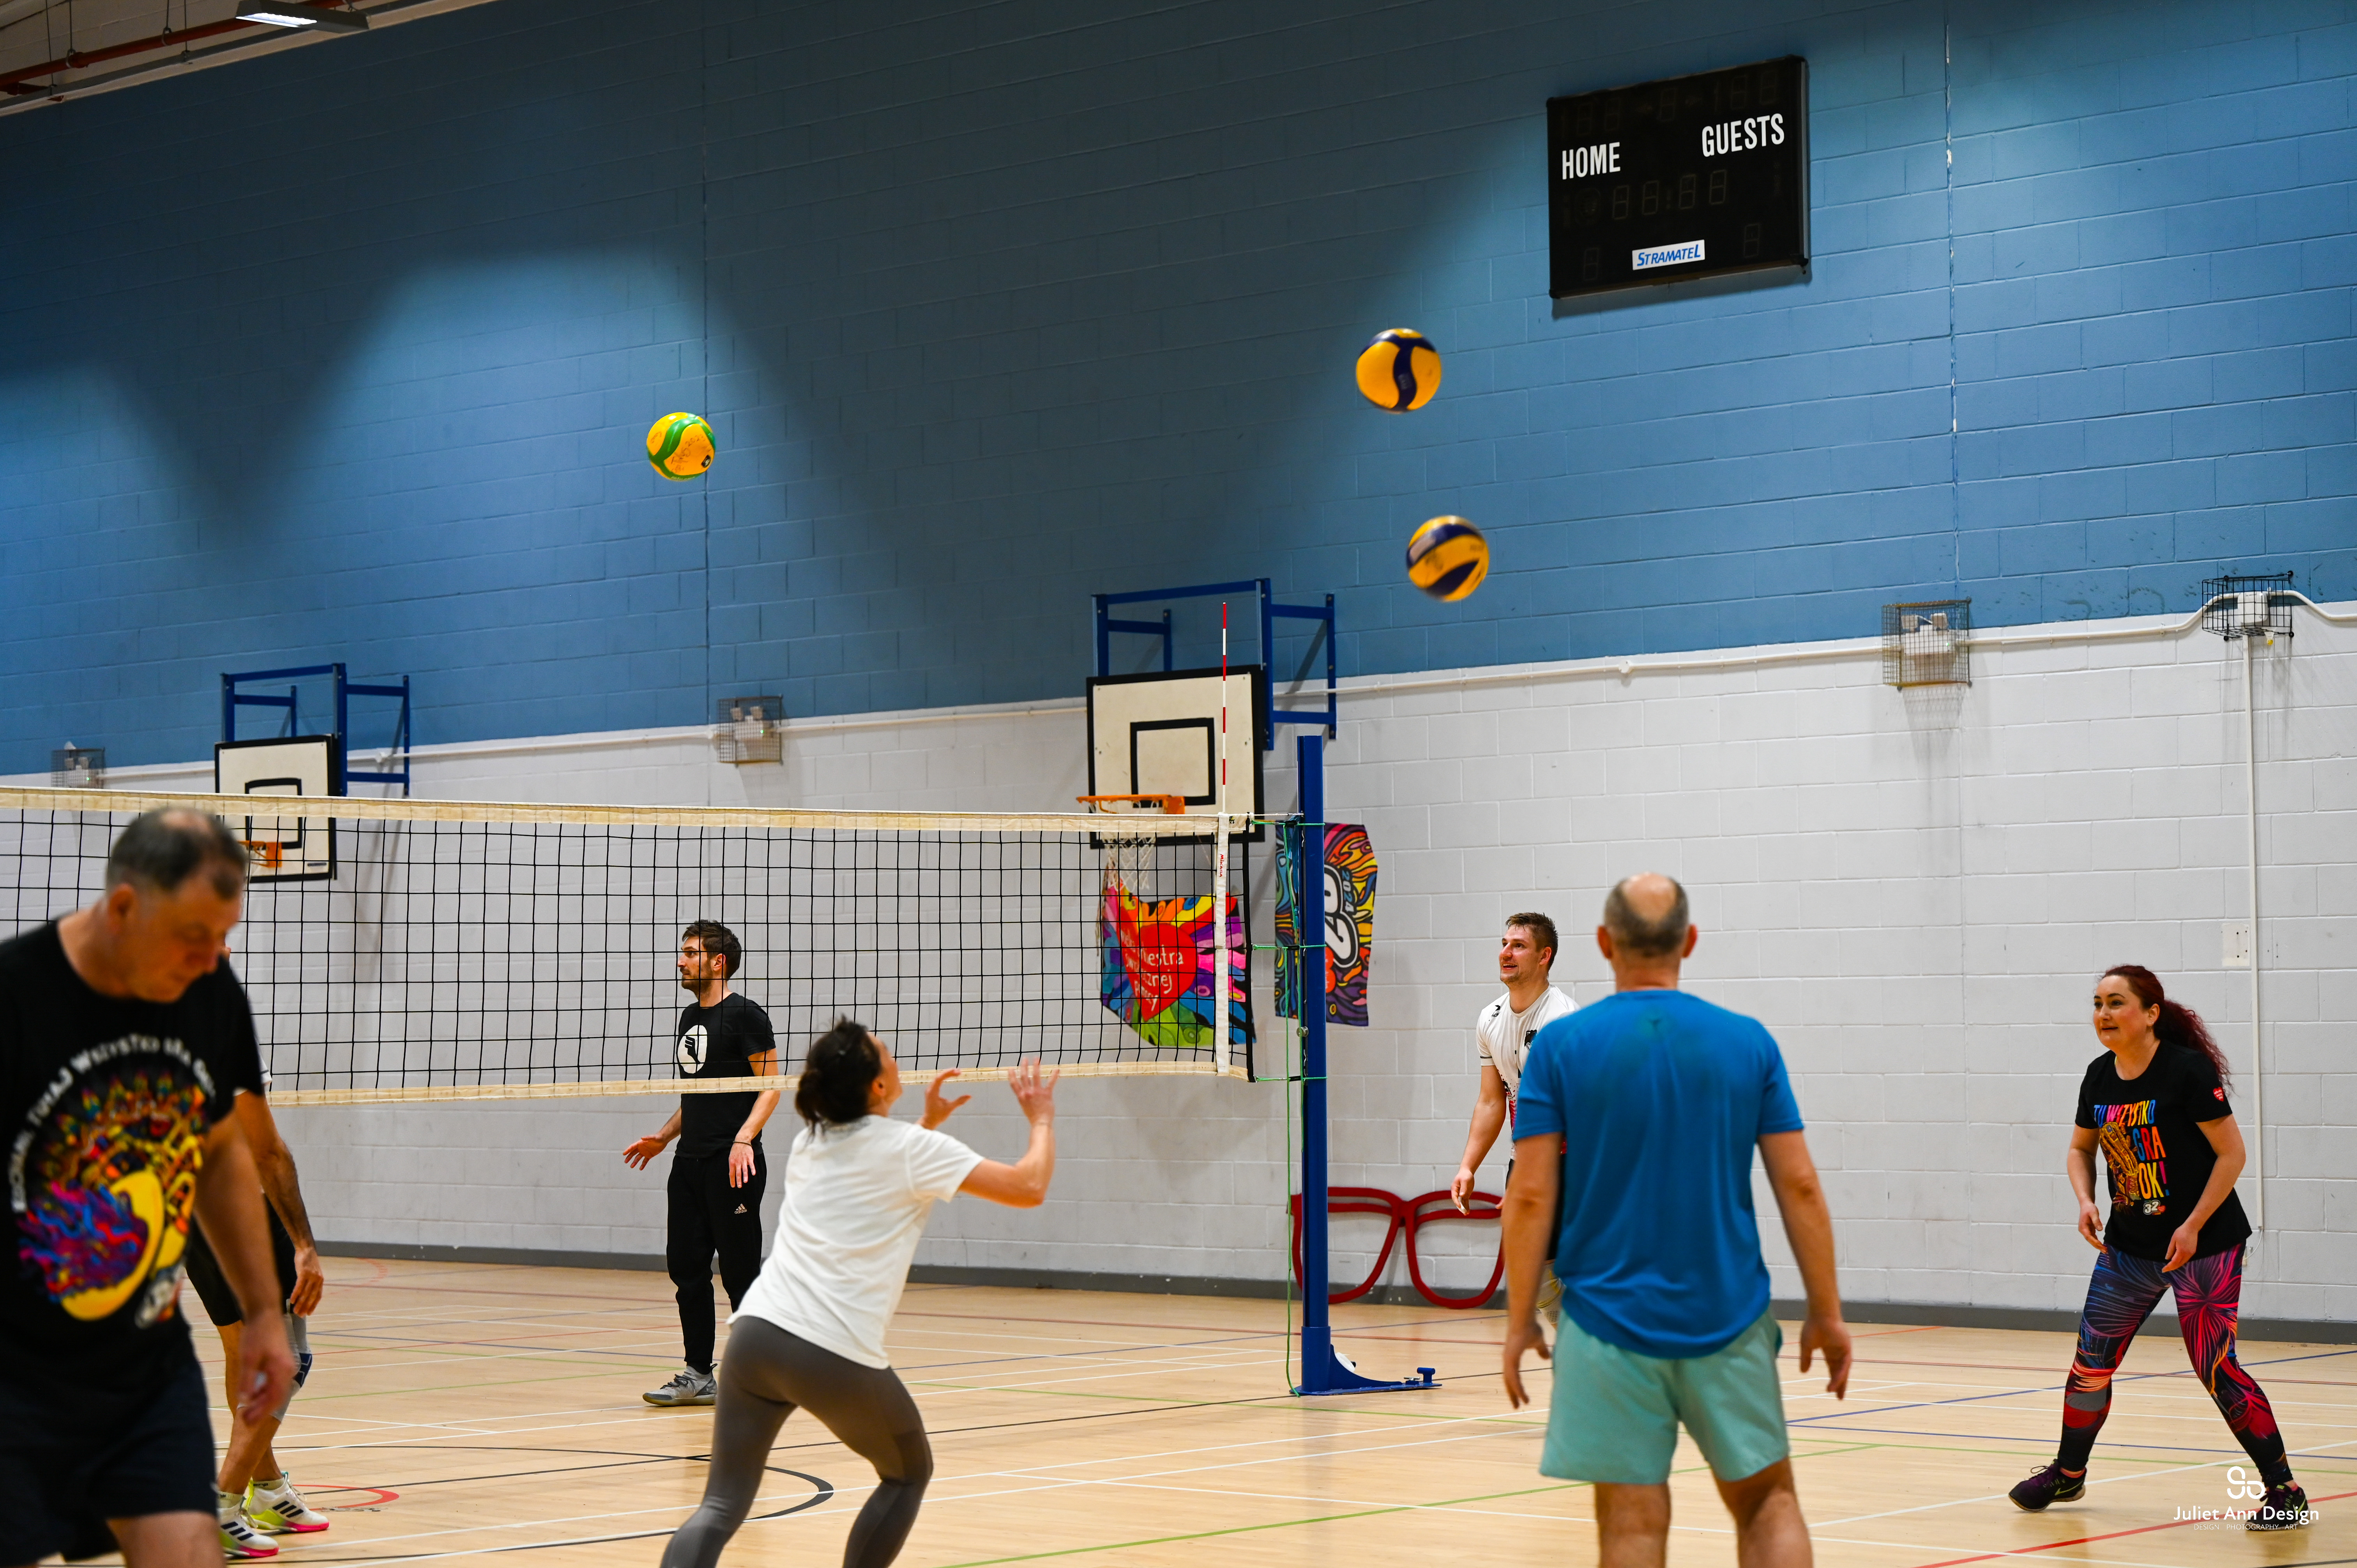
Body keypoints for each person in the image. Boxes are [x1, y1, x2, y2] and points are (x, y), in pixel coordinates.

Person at [1502, 873, 1850, 1568]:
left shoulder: (1561, 1047)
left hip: (1604, 1324)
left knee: (1630, 1523)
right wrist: (1826, 1311)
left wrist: (1518, 1322)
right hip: (1727, 1317)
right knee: (1767, 1502)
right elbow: (1801, 1186)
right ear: (1689, 941)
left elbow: (1530, 1195)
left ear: (1604, 943)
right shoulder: (1746, 1041)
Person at [0, 809, 295, 1568]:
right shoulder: (17, 996)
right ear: (125, 906)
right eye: (195, 934)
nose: (212, 957)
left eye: (225, 935)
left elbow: (220, 1150)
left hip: (143, 1369)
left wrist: (265, 1312)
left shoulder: (210, 990)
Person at [659, 1023, 1057, 1568]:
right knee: (908, 1473)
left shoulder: (812, 1139)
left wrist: (927, 1124)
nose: (892, 1054)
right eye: (885, 1052)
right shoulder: (914, 1150)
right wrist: (1041, 1119)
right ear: (877, 1085)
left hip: (755, 1337)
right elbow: (1029, 1187)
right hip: (828, 1349)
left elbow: (882, 1168)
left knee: (721, 1505)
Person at [2008, 966, 2308, 1531]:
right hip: (2129, 1249)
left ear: (2150, 1014)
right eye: (2097, 1003)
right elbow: (2080, 1149)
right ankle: (2069, 1474)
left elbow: (2232, 1155)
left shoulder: (2186, 1071)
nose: (2103, 1013)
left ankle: (2284, 1490)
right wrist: (2085, 1199)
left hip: (2204, 1247)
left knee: (2216, 1367)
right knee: (2090, 1365)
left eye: (2116, 1002)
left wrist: (2192, 1225)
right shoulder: (2099, 1076)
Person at [624, 920, 779, 1407]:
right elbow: (698, 1095)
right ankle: (698, 1373)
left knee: (740, 1273)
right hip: (688, 1163)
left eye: (691, 953)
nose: (681, 961)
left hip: (733, 1164)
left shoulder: (746, 1015)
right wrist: (664, 1136)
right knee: (687, 1269)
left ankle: (760, 1374)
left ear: (718, 962)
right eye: (684, 952)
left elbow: (772, 1087)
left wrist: (744, 1139)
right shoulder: (690, 1017)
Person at [180, 1074, 328, 1558]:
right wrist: (305, 1245)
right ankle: (220, 1506)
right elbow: (268, 1150)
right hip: (237, 1201)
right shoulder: (224, 1039)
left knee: (240, 1347)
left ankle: (267, 1489)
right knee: (290, 1359)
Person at [1450, 912, 1574, 1214]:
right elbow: (1492, 1101)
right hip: (1523, 1161)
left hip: (1571, 1165)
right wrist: (1468, 1167)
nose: (1505, 953)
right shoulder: (1489, 1018)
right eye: (1505, 944)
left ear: (1544, 956)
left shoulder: (1563, 1020)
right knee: (1518, 1248)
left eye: (1519, 946)